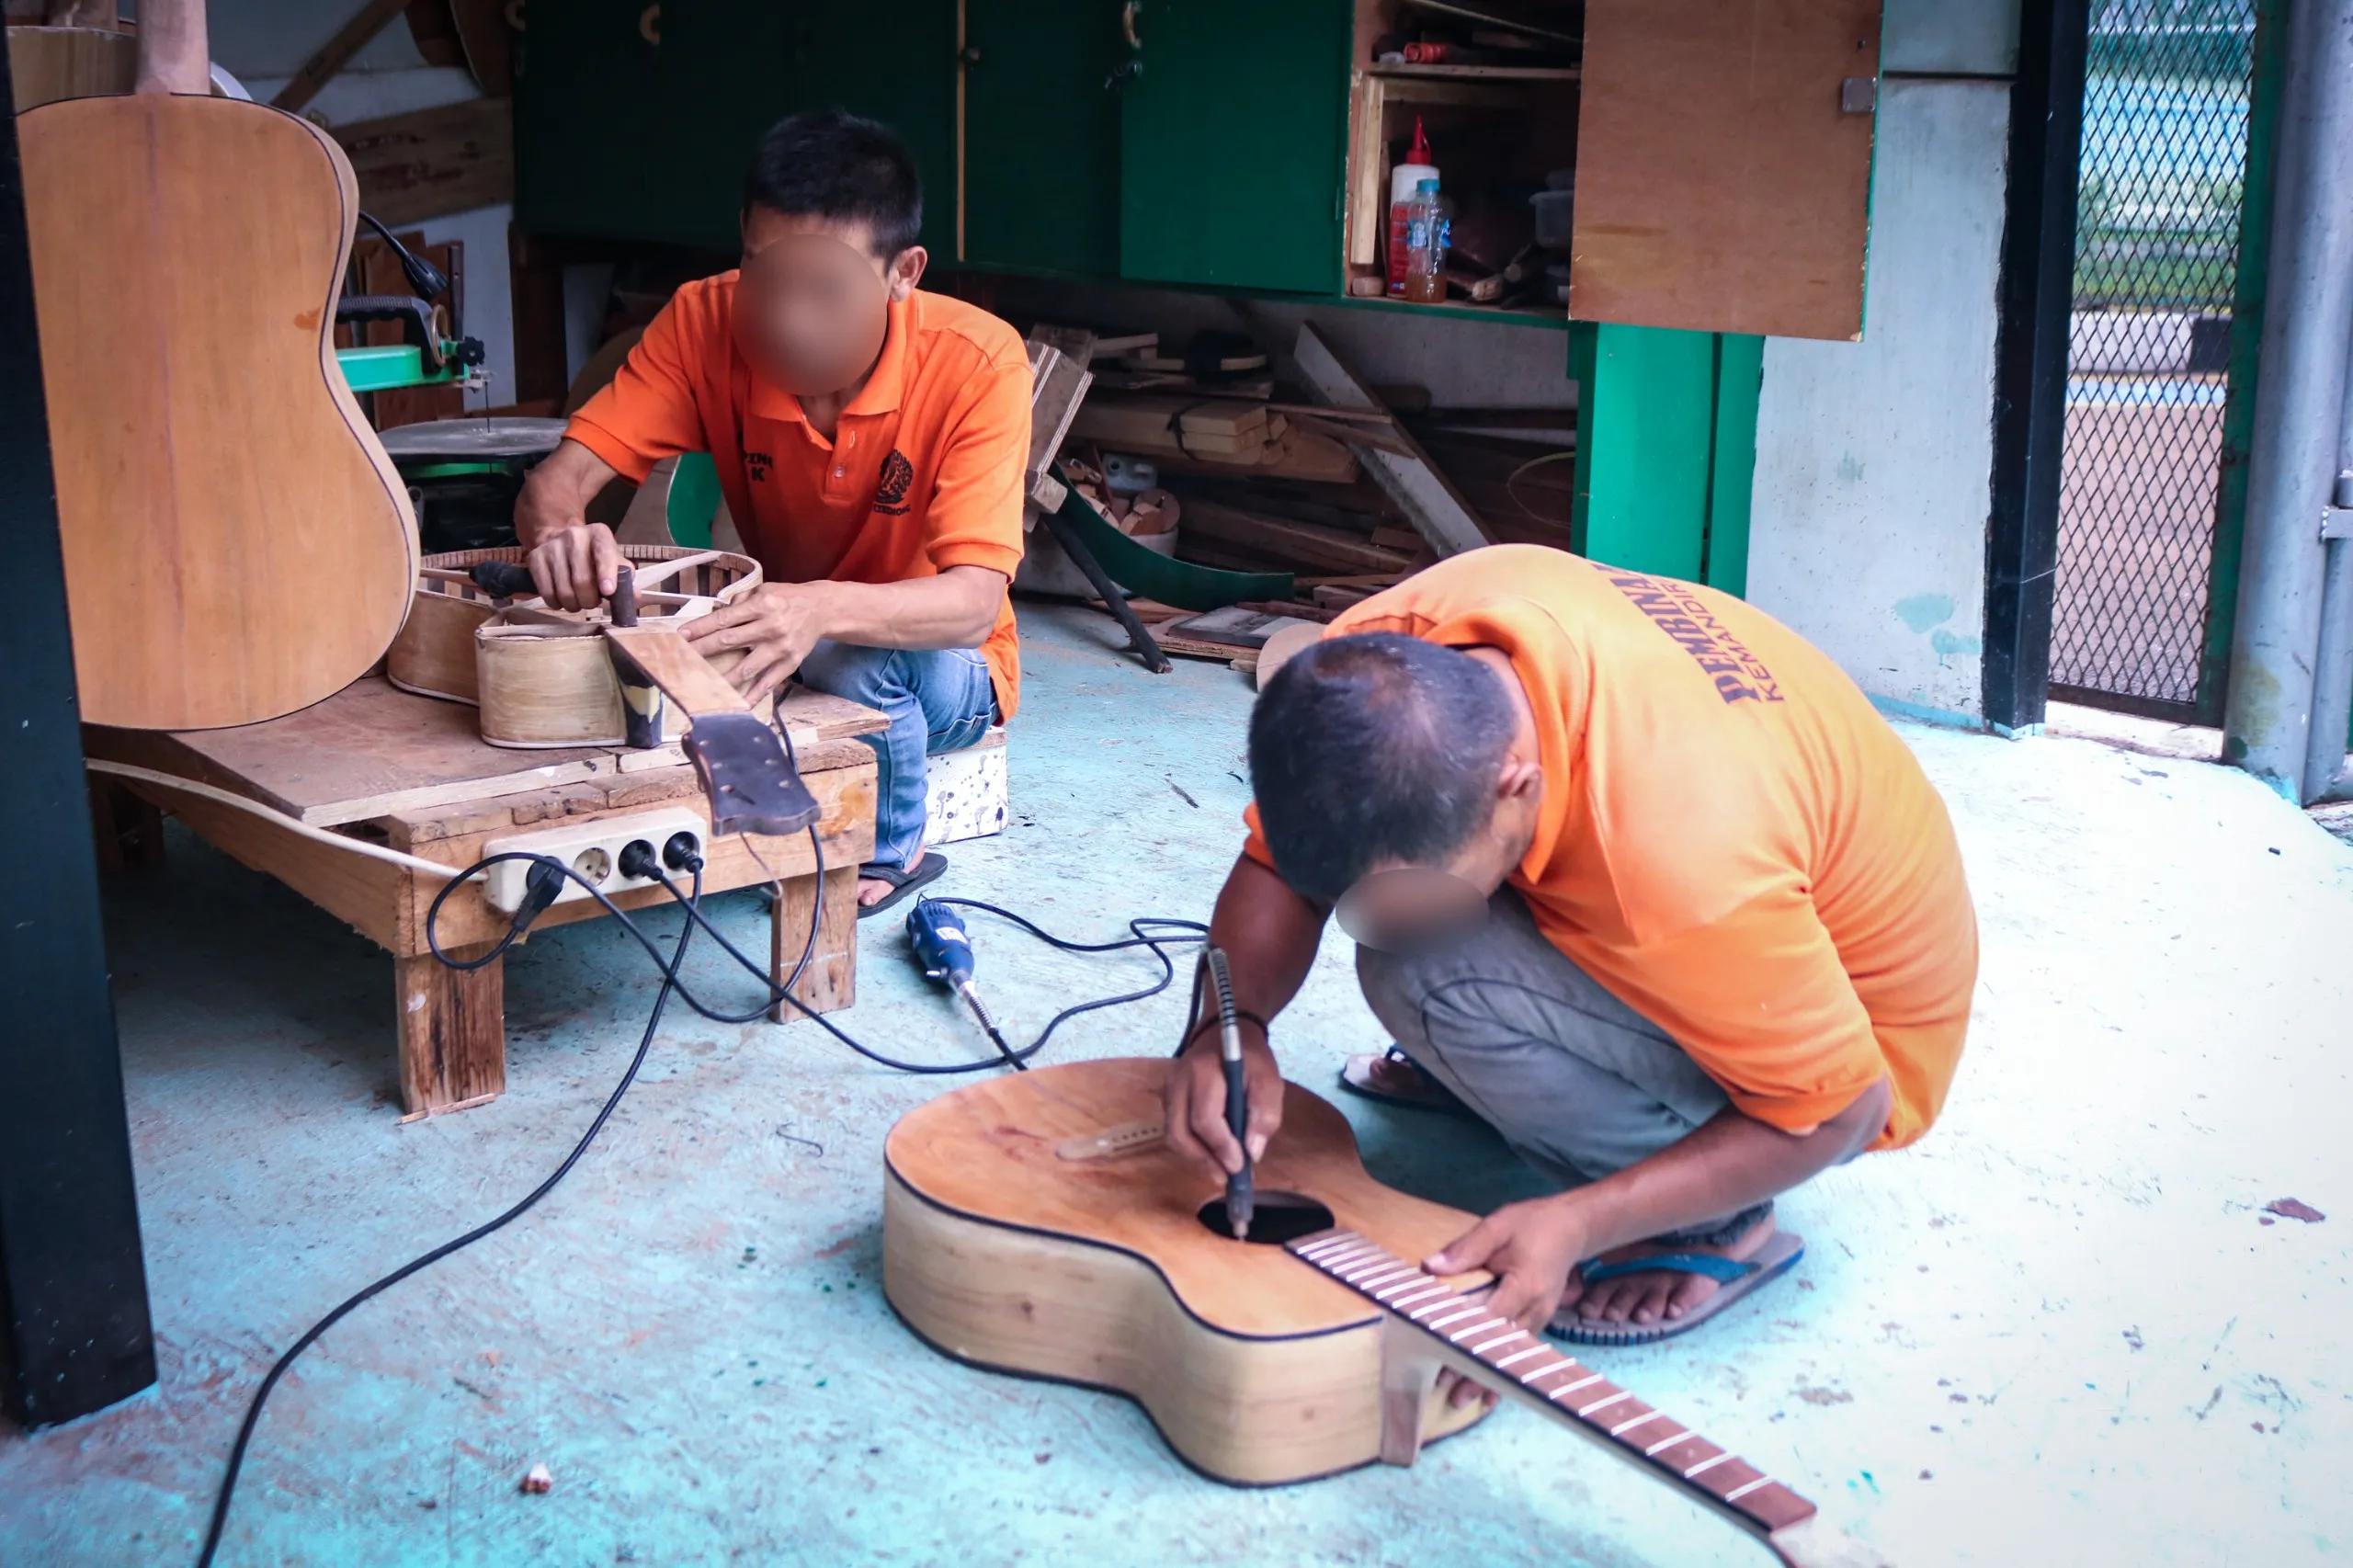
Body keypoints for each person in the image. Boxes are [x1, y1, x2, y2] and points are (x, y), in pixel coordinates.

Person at [1164, 544, 1976, 1356]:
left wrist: (1580, 1221)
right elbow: (1275, 867)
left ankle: (1716, 1224)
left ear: (1516, 787)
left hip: (1847, 1053)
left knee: (1419, 970)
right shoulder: (1380, 668)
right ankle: (1513, 1078)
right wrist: (1230, 1028)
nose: (1366, 914)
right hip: (1723, 906)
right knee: (1407, 925)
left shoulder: (1678, 865)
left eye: (1418, 889)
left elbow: (1845, 1109)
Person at [514, 110, 1029, 916]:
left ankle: (891, 847)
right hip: (789, 636)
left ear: (904, 272)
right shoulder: (703, 322)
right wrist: (558, 538)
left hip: (949, 670)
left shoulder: (978, 362)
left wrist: (815, 607)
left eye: (824, 289)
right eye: (764, 274)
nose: (786, 318)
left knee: (852, 660)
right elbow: (554, 484)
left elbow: (970, 603)